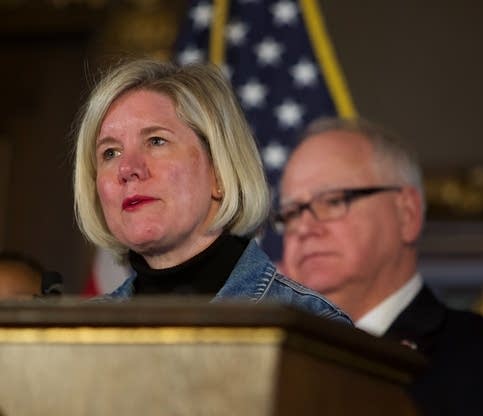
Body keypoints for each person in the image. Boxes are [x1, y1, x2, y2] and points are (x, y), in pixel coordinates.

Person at [275, 117, 483, 415]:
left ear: (407, 214)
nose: (304, 227)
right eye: (291, 212)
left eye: (332, 201)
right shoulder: (266, 360)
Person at [72, 58, 350, 325]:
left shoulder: (313, 325)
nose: (127, 168)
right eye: (110, 152)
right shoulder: (77, 332)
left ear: (219, 171)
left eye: (156, 141)